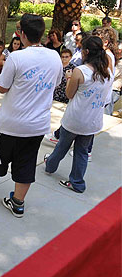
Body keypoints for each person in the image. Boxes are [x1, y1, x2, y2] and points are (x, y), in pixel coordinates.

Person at [0, 14, 63, 218]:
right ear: (42, 34)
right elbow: (58, 82)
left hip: (11, 122)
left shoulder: (16, 57)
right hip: (37, 125)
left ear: (22, 34)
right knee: (26, 161)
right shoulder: (54, 56)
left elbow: (2, 87)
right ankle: (18, 202)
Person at [44, 36, 113, 193]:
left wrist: (69, 78)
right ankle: (77, 182)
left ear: (86, 52)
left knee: (62, 146)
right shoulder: (107, 73)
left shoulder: (80, 71)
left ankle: (50, 165)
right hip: (93, 121)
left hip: (75, 119)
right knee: (82, 152)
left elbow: (69, 94)